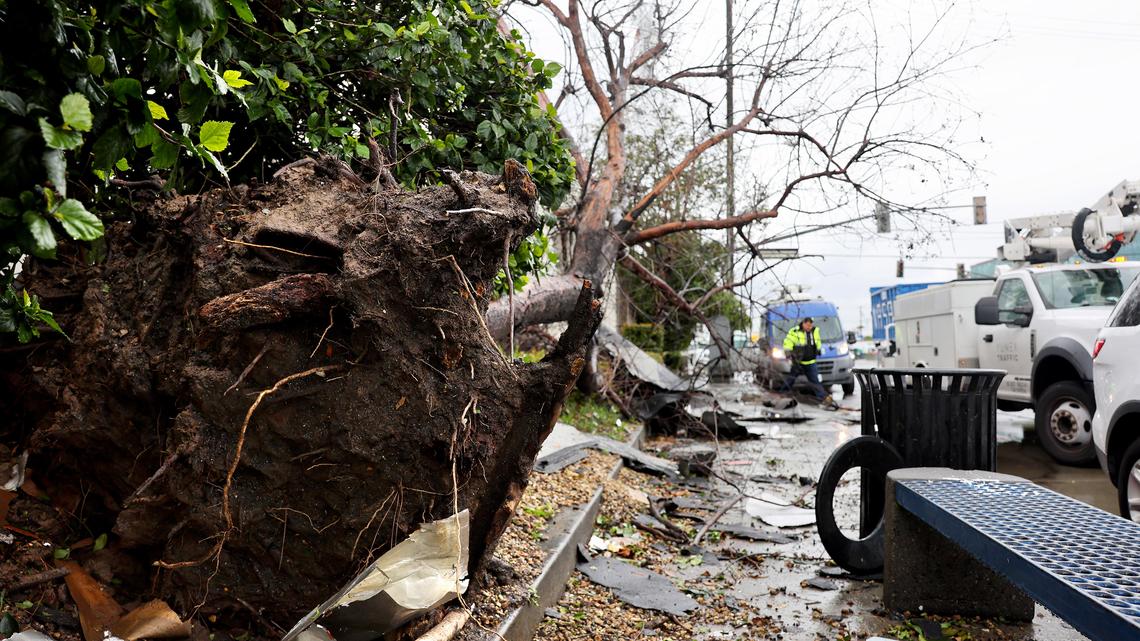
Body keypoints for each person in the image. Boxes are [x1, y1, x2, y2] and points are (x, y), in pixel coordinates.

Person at [780, 317, 838, 409]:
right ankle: (781, 394)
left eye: (810, 325)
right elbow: (788, 342)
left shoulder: (814, 331)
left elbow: (817, 342)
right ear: (803, 323)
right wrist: (788, 353)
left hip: (810, 362)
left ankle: (822, 398)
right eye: (807, 325)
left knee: (815, 382)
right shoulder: (795, 332)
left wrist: (819, 350)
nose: (809, 327)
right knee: (790, 379)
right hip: (798, 362)